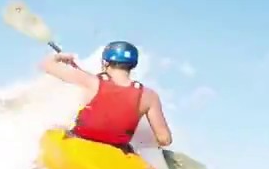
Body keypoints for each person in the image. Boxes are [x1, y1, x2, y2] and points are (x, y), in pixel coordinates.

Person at [39, 40, 172, 154]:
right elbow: (165, 139)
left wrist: (61, 56)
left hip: (80, 144)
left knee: (57, 129)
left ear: (106, 62)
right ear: (133, 65)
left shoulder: (91, 81)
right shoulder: (149, 96)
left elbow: (46, 65)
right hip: (117, 152)